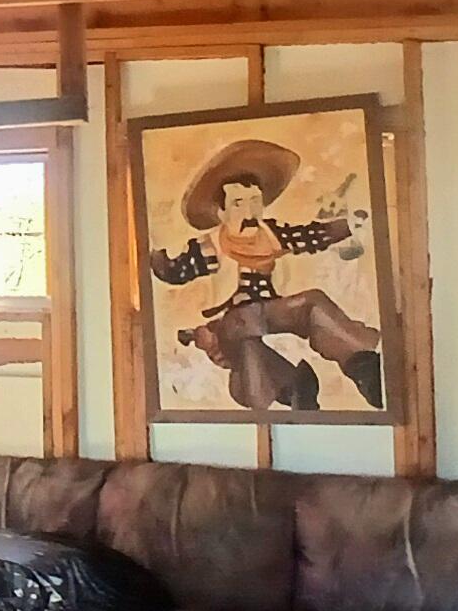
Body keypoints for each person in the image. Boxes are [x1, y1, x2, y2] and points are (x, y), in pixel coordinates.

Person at [149, 138, 386, 411]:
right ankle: (293, 388)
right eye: (238, 204)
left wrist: (347, 225)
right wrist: (158, 257)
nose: (249, 212)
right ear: (221, 212)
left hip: (269, 309)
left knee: (312, 301)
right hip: (234, 319)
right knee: (246, 341)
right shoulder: (211, 246)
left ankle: (363, 367)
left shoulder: (271, 235)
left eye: (254, 202)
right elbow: (178, 270)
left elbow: (309, 236)